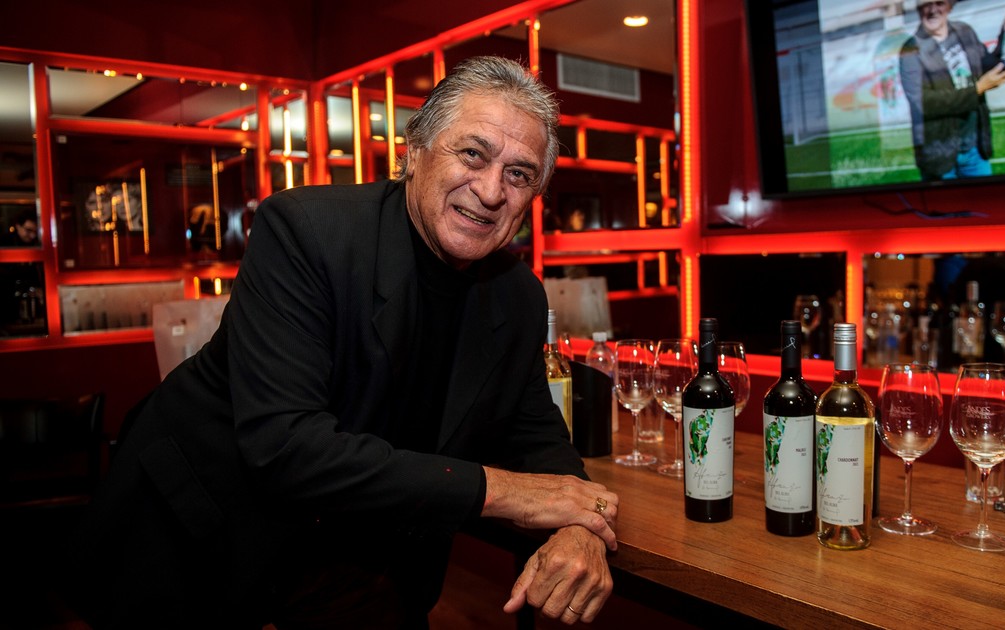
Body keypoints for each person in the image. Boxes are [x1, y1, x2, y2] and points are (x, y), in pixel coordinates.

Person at [65, 56, 619, 628]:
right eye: (473, 154)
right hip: (203, 531)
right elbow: (287, 447)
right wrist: (501, 491)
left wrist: (581, 523)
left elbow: (538, 434)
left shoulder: (516, 295)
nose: (491, 190)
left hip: (357, 555)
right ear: (414, 151)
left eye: (519, 174)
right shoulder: (307, 232)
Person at [899, 0, 1005, 181]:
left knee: (984, 200)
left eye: (939, 3)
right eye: (926, 4)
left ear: (949, 6)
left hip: (974, 149)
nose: (933, 10)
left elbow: (990, 66)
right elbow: (924, 103)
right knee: (944, 202)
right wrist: (979, 88)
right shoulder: (910, 49)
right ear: (918, 9)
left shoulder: (965, 31)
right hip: (939, 155)